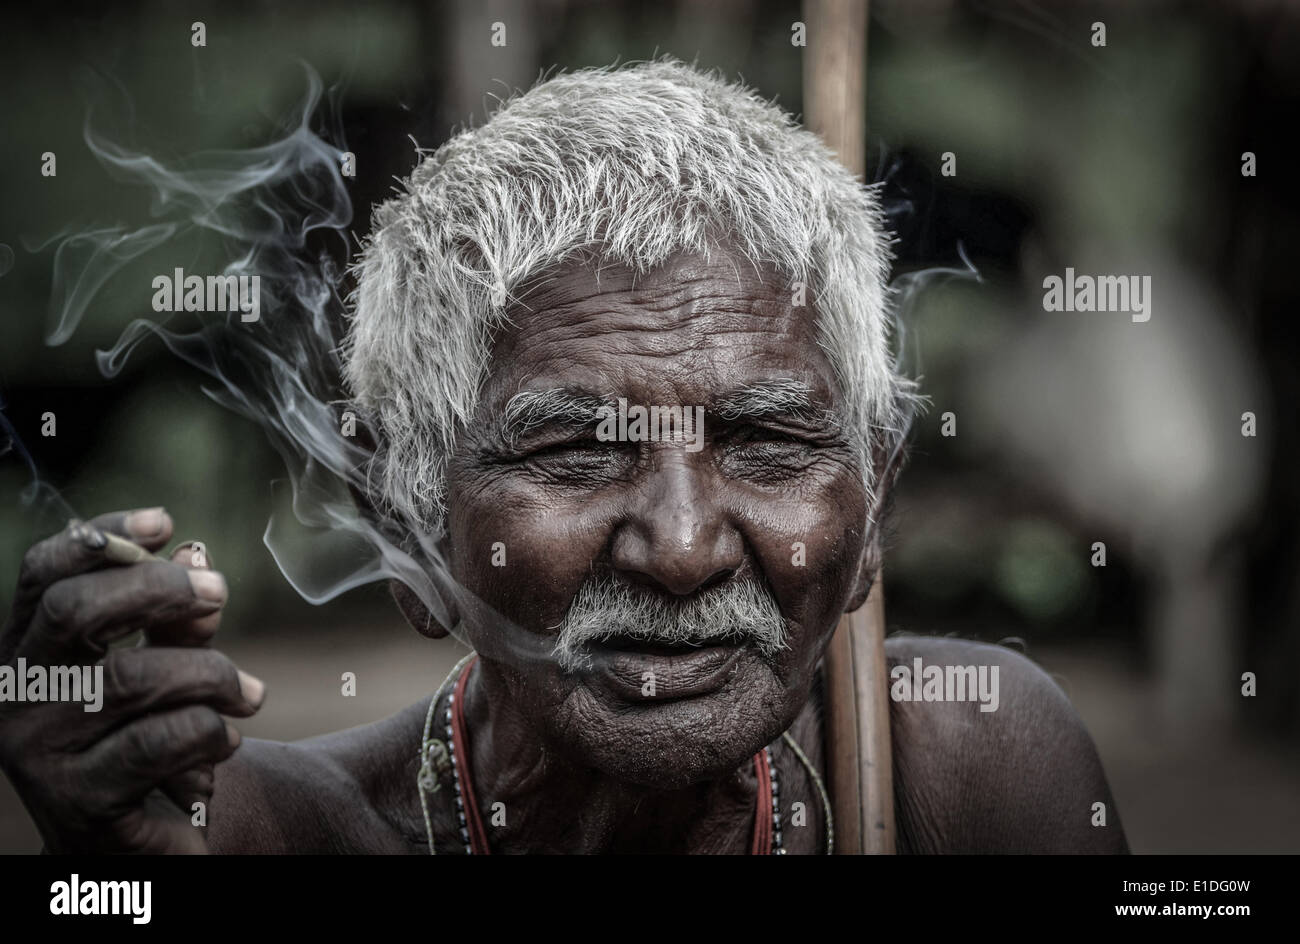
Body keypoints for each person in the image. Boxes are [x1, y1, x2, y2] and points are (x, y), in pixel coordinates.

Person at [0, 61, 1127, 854]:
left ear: (872, 500)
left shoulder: (970, 777)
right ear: (402, 518)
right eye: (576, 453)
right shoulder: (250, 832)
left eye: (767, 440)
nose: (682, 549)